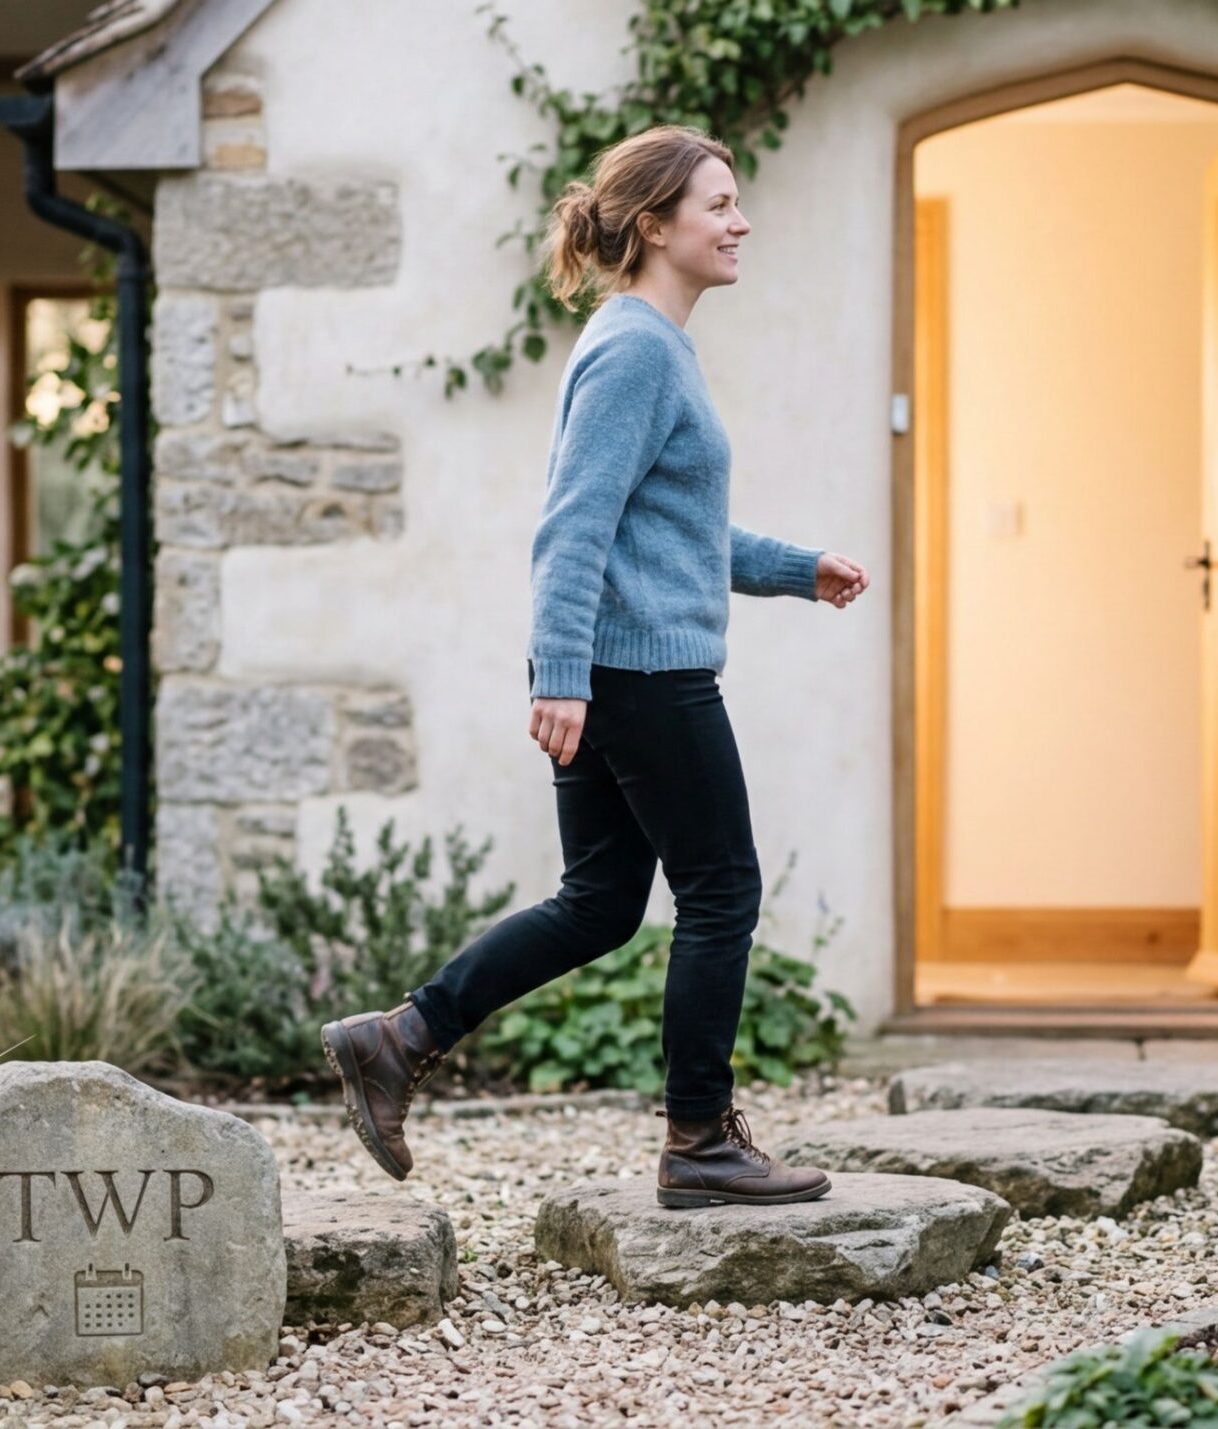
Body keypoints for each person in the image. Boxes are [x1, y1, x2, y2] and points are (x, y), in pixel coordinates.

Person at [319, 122, 870, 1209]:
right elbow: (572, 527)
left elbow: (665, 534)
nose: (740, 220)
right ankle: (700, 1139)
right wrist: (557, 672)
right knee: (722, 892)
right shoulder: (632, 350)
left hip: (621, 668)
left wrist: (796, 568)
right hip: (640, 676)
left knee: (602, 902)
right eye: (718, 204)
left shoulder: (651, 347)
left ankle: (400, 1037)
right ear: (655, 224)